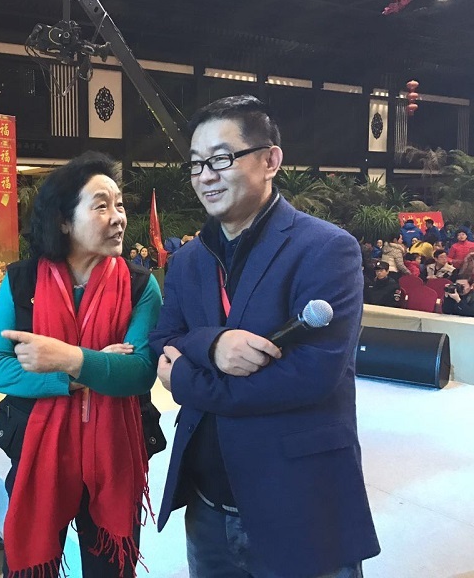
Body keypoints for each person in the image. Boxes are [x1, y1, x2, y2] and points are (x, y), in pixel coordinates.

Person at [150, 95, 379, 578]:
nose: (205, 176)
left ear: (270, 160)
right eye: (196, 164)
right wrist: (213, 345)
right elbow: (164, 338)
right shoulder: (189, 260)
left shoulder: (325, 248)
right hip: (208, 506)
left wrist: (186, 381)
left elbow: (310, 376)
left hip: (298, 501)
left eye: (221, 159)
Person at [0, 152, 162, 578]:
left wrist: (64, 358)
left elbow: (139, 372)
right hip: (39, 453)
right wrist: (83, 374)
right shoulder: (22, 282)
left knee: (111, 570)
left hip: (114, 456)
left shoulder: (140, 286)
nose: (118, 218)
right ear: (64, 221)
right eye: (101, 206)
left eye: (119, 205)